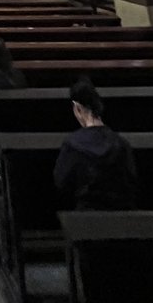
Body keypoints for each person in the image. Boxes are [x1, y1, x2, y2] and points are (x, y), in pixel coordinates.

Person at [54, 78, 137, 210]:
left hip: (83, 219)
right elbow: (131, 182)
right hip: (119, 219)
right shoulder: (121, 143)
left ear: (77, 108)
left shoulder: (72, 145)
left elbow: (61, 183)